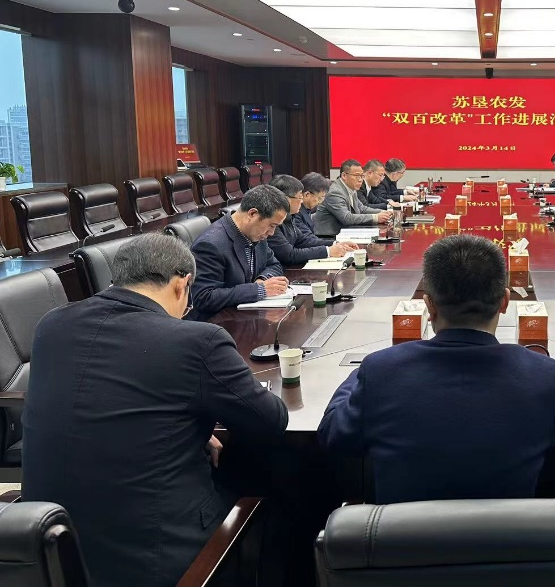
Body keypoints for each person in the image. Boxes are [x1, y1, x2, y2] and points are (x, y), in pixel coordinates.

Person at [22, 233, 288, 587]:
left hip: (49, 545)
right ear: (182, 284)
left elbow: (99, 394)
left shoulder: (51, 325)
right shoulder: (198, 341)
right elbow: (270, 420)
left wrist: (190, 427)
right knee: (276, 491)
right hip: (153, 559)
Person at [318, 235, 555, 504]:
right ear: (505, 302)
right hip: (508, 532)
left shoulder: (382, 371)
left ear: (428, 305)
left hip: (403, 531)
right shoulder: (542, 375)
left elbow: (333, 434)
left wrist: (361, 373)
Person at [190, 184, 290, 320]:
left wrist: (262, 280)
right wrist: (258, 290)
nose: (271, 233)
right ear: (252, 214)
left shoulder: (256, 234)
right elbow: (204, 297)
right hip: (219, 323)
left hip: (247, 317)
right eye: (271, 225)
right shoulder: (210, 244)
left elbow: (274, 264)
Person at [267, 174, 357, 267]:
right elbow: (289, 255)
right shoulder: (271, 223)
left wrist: (336, 244)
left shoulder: (289, 217)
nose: (302, 201)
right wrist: (328, 251)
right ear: (284, 199)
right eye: (299, 197)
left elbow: (303, 241)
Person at [314, 159, 393, 237]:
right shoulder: (335, 192)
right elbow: (346, 218)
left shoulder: (351, 188)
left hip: (345, 233)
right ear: (344, 176)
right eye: (356, 176)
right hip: (329, 237)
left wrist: (383, 212)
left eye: (362, 176)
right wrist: (375, 217)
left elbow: (362, 209)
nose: (360, 180)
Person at [294, 172, 331, 238]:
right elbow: (307, 239)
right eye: (319, 198)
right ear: (307, 195)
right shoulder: (296, 212)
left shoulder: (307, 208)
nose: (320, 202)